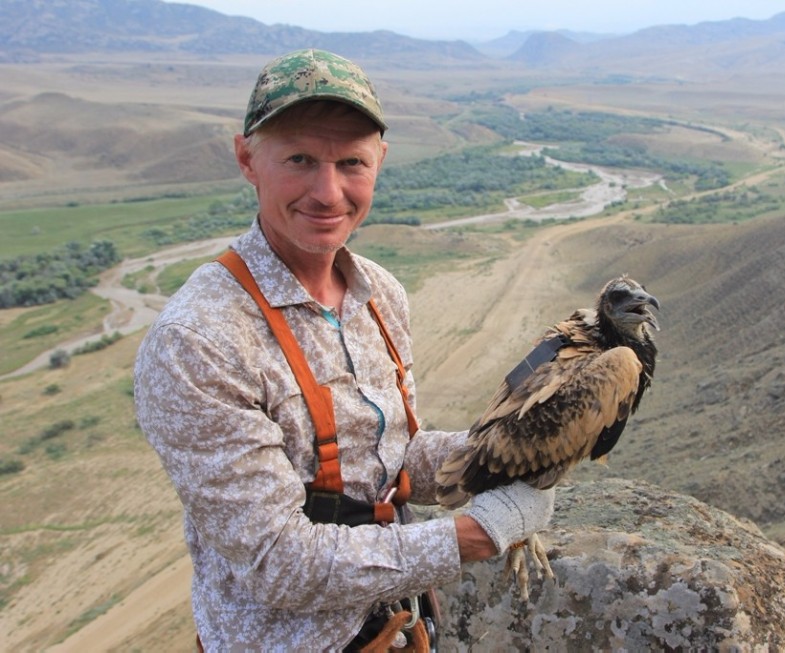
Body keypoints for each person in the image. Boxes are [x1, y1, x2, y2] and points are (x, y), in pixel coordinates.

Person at [134, 48, 555, 651]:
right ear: (247, 159)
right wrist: (476, 535)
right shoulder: (198, 341)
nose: (327, 192)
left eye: (351, 162)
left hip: (401, 627)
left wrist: (512, 450)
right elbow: (280, 561)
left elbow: (392, 459)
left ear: (380, 160)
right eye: (300, 159)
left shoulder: (378, 292)